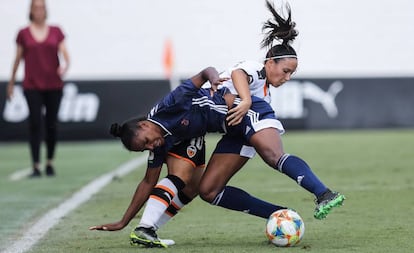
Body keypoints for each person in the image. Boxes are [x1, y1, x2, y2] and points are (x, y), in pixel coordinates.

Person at [6, 0, 70, 177]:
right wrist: (11, 83)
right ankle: (35, 165)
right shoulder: (23, 33)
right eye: (36, 8)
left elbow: (65, 54)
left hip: (53, 84)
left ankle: (49, 161)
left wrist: (65, 65)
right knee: (35, 122)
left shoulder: (56, 31)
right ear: (31, 11)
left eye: (42, 7)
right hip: (32, 84)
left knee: (51, 124)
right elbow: (17, 59)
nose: (39, 11)